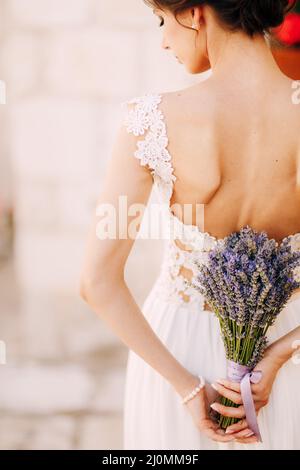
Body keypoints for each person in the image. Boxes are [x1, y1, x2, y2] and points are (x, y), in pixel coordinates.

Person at [80, 0, 300, 450]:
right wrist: (281, 352)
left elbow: (97, 282)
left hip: (177, 353)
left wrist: (187, 387)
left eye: (162, 20)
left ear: (196, 12)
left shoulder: (150, 121)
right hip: (285, 361)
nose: (162, 40)